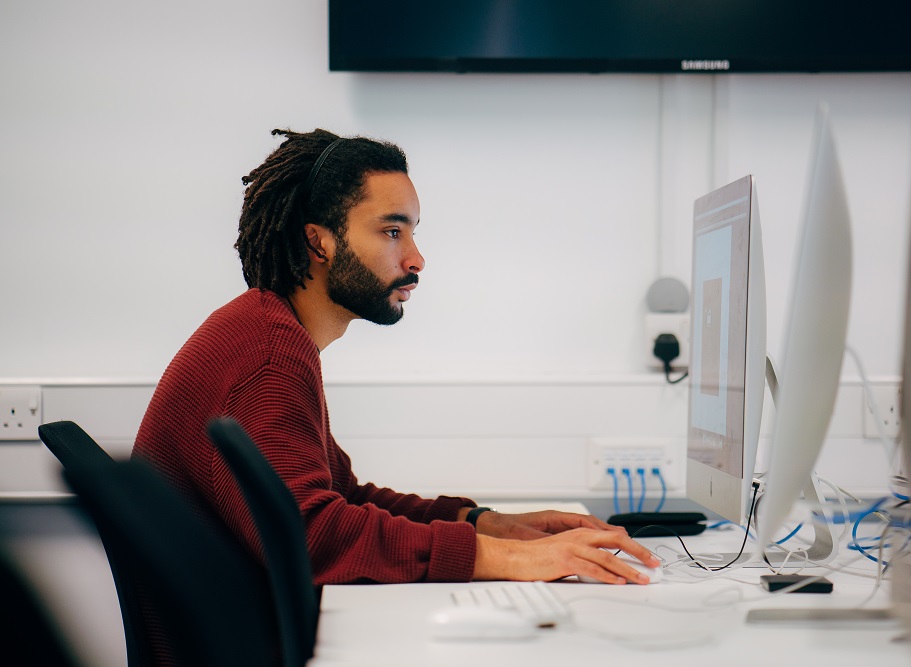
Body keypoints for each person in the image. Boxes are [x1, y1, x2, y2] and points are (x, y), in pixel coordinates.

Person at [132, 128, 658, 587]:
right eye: (391, 231)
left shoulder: (269, 332)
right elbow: (314, 534)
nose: (416, 258)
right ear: (320, 242)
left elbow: (345, 498)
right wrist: (509, 558)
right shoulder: (270, 353)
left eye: (412, 232)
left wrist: (483, 523)